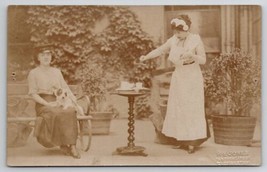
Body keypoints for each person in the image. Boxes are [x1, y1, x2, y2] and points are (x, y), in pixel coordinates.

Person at [140, 15, 210, 154]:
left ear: (186, 29)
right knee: (178, 108)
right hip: (179, 77)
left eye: (179, 32)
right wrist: (146, 57)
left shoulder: (195, 40)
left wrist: (193, 56)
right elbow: (160, 50)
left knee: (191, 108)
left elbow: (203, 60)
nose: (176, 35)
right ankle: (181, 140)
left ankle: (192, 142)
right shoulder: (174, 40)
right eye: (175, 32)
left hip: (192, 77)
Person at [27, 43, 81, 159]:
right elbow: (33, 94)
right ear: (38, 57)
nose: (46, 57)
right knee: (56, 112)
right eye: (43, 55)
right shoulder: (33, 73)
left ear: (51, 57)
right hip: (43, 103)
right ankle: (62, 143)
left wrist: (74, 101)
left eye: (48, 54)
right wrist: (47, 103)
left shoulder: (56, 72)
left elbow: (65, 87)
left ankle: (72, 145)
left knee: (70, 111)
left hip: (58, 101)